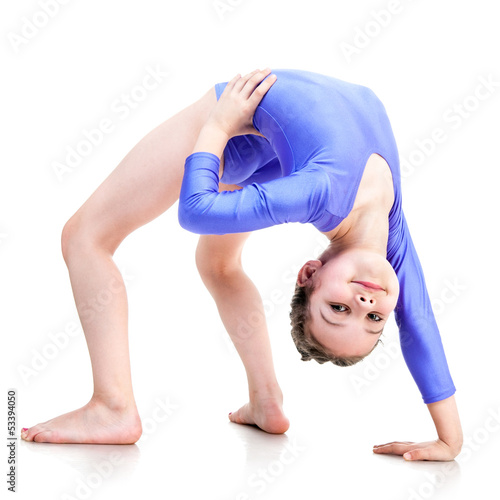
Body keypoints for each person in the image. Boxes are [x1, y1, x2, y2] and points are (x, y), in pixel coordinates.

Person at [21, 68, 463, 461]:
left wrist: (218, 124)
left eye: (339, 309)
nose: (366, 300)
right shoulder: (394, 242)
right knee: (218, 264)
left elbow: (196, 209)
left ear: (310, 274)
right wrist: (452, 441)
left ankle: (112, 407)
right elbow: (420, 324)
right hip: (268, 143)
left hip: (238, 123)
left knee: (83, 238)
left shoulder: (319, 191)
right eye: (372, 318)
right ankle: (266, 399)